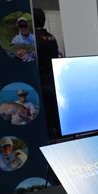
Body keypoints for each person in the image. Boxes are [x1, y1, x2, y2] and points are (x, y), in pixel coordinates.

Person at [33, 8, 61, 136]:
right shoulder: (52, 38)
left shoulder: (33, 40)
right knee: (56, 116)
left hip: (41, 84)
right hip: (53, 81)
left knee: (47, 118)